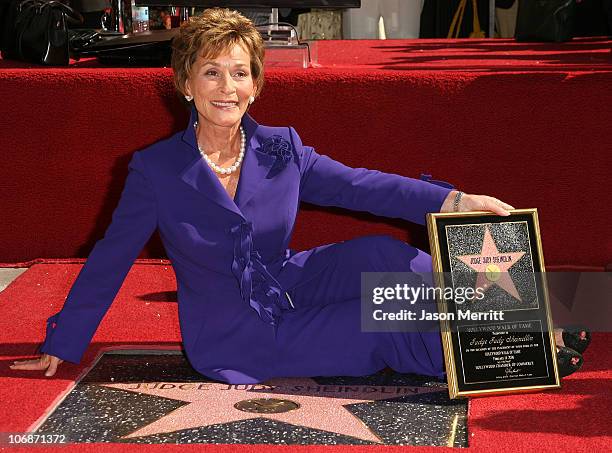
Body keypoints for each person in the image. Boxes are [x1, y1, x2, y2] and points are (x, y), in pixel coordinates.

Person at [10, 8, 585, 382]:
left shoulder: (280, 148)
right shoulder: (155, 171)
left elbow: (362, 184)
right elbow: (111, 258)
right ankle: (508, 353)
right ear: (185, 84)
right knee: (378, 320)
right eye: (209, 73)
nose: (225, 87)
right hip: (238, 334)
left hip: (289, 283)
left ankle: (517, 314)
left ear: (256, 85)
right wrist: (65, 339)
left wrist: (455, 200)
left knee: (383, 257)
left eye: (238, 73)